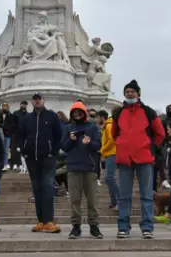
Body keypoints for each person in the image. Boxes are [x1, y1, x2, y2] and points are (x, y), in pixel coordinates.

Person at [111, 80, 166, 239]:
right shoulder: (118, 112)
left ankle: (147, 227)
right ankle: (123, 227)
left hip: (144, 158)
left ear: (138, 93)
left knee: (147, 195)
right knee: (124, 196)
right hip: (125, 159)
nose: (130, 94)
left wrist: (150, 148)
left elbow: (160, 133)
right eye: (127, 91)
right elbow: (114, 134)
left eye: (132, 91)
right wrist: (123, 145)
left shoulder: (148, 112)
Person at [18, 92, 63, 233]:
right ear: (32, 102)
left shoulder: (52, 116)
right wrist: (24, 152)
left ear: (43, 100)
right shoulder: (27, 118)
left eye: (39, 99)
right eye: (35, 99)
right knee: (36, 189)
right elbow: (20, 136)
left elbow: (58, 135)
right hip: (31, 158)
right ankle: (40, 221)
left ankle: (48, 220)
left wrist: (53, 152)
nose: (37, 101)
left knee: (48, 187)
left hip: (48, 157)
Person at [61, 101, 103, 239]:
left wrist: (89, 142)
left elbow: (98, 145)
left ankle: (94, 226)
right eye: (75, 112)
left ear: (84, 113)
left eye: (80, 112)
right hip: (73, 167)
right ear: (72, 114)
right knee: (75, 199)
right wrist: (72, 140)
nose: (77, 115)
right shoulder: (68, 128)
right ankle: (76, 226)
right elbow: (64, 147)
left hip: (89, 168)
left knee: (92, 200)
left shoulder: (92, 127)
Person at [98, 109, 119, 210]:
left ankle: (119, 200)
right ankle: (114, 201)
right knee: (108, 178)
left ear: (102, 117)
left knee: (109, 177)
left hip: (112, 153)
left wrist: (102, 150)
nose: (97, 119)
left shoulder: (109, 125)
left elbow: (112, 140)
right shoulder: (107, 125)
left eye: (98, 117)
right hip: (108, 154)